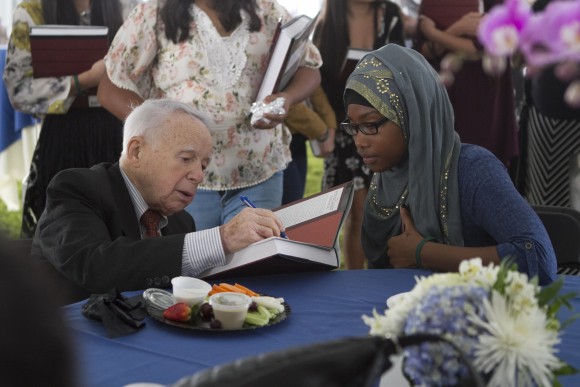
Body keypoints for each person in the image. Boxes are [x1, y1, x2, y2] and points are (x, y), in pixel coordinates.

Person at [31, 99, 287, 302]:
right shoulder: (76, 188)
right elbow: (97, 267)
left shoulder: (181, 223)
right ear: (136, 151)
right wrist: (221, 239)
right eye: (186, 158)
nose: (198, 175)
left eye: (204, 165)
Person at [96, 0, 322, 231]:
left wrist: (287, 98)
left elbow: (309, 67)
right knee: (193, 261)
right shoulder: (155, 13)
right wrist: (162, 129)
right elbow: (109, 89)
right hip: (181, 179)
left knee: (253, 263)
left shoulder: (268, 10)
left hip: (259, 171)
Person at [343, 44, 556, 285]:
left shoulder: (472, 170)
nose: (359, 141)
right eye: (352, 127)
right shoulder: (388, 179)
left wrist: (423, 253)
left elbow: (537, 257)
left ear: (413, 115)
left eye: (370, 125)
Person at [2, 0, 137, 238]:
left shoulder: (128, 7)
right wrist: (81, 80)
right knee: (61, 228)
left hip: (117, 128)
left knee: (120, 226)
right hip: (62, 136)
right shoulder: (31, 11)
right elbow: (19, 90)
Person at [313, 0, 406, 269]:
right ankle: (353, 280)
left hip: (383, 130)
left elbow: (401, 72)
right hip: (343, 133)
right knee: (350, 214)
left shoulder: (390, 15)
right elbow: (319, 83)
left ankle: (375, 280)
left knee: (375, 214)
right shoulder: (326, 23)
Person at [413, 0, 519, 173]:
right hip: (443, 86)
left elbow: (478, 48)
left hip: (482, 92)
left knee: (480, 164)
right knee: (442, 163)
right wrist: (456, 29)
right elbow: (423, 48)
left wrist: (434, 33)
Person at [282, 86, 336, 204]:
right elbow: (283, 101)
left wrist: (329, 125)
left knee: (296, 202)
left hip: (297, 139)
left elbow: (314, 88)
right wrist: (321, 132)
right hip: (279, 141)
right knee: (291, 206)